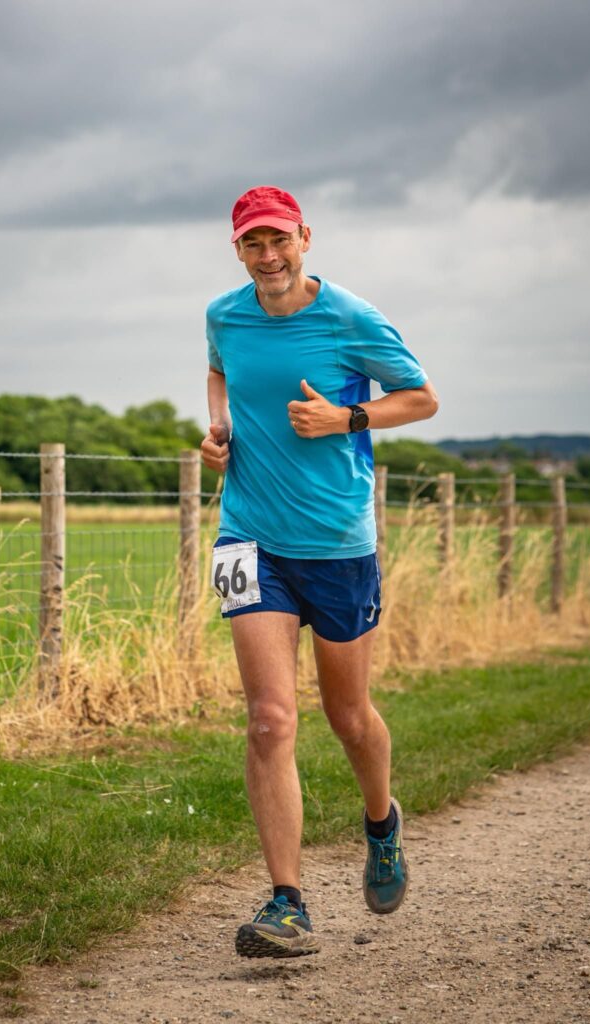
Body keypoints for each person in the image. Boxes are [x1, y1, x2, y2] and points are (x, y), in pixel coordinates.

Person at [201, 185, 439, 959]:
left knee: (348, 717)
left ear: (304, 237)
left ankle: (381, 824)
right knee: (269, 718)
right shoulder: (223, 315)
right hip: (248, 540)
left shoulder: (349, 317)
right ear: (236, 249)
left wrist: (347, 418)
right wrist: (220, 428)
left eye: (278, 241)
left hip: (337, 543)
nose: (267, 257)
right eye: (251, 244)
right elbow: (217, 370)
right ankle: (287, 903)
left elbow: (422, 398)